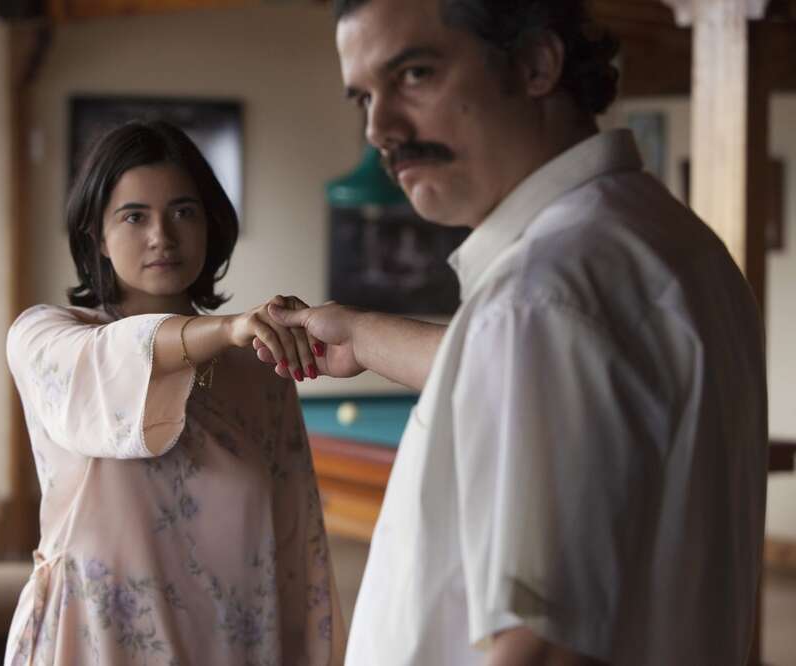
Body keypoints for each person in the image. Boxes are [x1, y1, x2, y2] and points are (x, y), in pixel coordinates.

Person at [262, 0, 768, 664]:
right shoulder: (670, 241)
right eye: (364, 97)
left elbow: (545, 648)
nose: (380, 129)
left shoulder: (541, 298)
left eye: (414, 74)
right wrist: (358, 333)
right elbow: (511, 366)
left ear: (535, 63)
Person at [3, 120, 344, 665]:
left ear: (210, 224)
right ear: (96, 235)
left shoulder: (259, 364)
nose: (161, 235)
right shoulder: (48, 338)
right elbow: (113, 359)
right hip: (96, 644)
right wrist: (227, 328)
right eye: (134, 216)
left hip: (233, 645)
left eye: (183, 212)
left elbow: (295, 543)